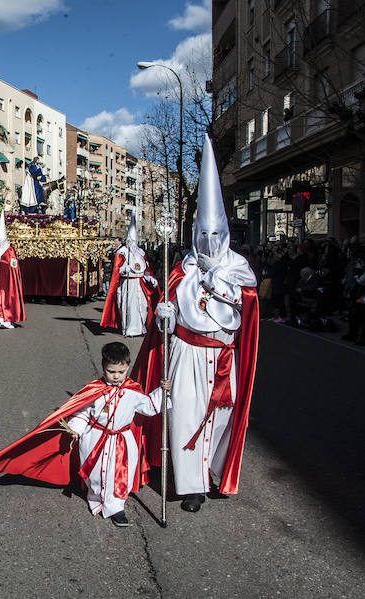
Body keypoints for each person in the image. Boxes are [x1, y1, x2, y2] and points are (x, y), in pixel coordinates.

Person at [132, 135, 259, 513]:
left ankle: (213, 471)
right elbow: (165, 319)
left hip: (222, 356)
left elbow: (244, 313)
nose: (208, 241)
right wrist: (164, 315)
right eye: (202, 234)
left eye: (215, 234)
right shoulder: (180, 269)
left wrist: (216, 284)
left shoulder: (240, 271)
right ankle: (191, 487)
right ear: (193, 234)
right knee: (185, 414)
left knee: (220, 418)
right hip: (186, 354)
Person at [0, 342, 170, 527]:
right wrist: (75, 430)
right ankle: (96, 496)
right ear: (103, 367)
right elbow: (82, 413)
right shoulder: (94, 390)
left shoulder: (133, 392)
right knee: (96, 473)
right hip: (95, 437)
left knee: (119, 474)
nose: (116, 376)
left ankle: (116, 507)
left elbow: (150, 407)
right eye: (111, 371)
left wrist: (162, 391)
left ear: (127, 367)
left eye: (120, 372)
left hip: (121, 441)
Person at [100, 212, 158, 337]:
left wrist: (150, 278)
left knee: (142, 306)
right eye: (130, 240)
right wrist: (124, 270)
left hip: (139, 283)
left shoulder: (140, 253)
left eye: (134, 240)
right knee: (129, 307)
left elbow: (146, 269)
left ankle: (142, 328)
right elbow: (117, 270)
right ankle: (129, 329)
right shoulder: (122, 252)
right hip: (127, 284)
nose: (132, 243)